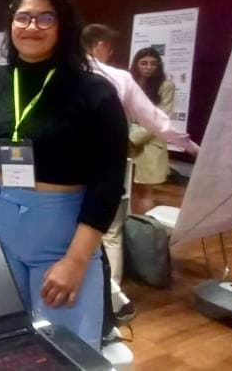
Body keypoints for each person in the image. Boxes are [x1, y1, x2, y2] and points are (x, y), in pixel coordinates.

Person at [0, 0, 128, 349]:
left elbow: (108, 182)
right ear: (11, 24)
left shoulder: (94, 92)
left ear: (62, 25)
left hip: (61, 237)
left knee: (64, 350)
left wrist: (76, 261)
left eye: (45, 18)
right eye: (23, 18)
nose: (32, 26)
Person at [82, 24, 198, 283]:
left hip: (67, 170)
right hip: (108, 165)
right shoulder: (119, 78)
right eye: (109, 49)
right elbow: (157, 121)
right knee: (110, 232)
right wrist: (190, 146)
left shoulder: (60, 73)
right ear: (101, 45)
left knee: (71, 232)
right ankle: (112, 295)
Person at [129, 46, 175, 214]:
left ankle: (143, 226)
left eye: (153, 64)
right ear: (136, 64)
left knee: (144, 191)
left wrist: (132, 138)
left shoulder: (166, 86)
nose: (148, 67)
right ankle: (130, 223)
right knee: (128, 189)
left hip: (149, 143)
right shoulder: (129, 82)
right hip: (126, 140)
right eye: (144, 63)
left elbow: (160, 118)